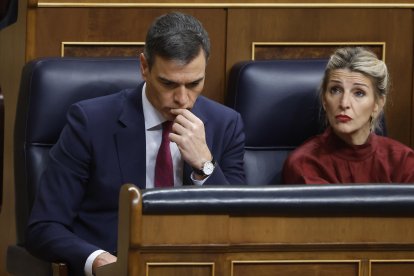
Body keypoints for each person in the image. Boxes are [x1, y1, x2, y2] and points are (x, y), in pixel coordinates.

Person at [25, 12, 245, 276]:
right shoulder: (91, 122)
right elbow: (44, 226)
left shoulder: (225, 124)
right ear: (144, 67)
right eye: (168, 83)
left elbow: (239, 226)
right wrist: (97, 260)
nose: (183, 99)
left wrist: (204, 165)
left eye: (194, 83)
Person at [282, 47, 414, 184]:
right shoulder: (304, 164)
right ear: (324, 101)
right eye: (336, 90)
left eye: (359, 93)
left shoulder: (404, 161)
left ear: (378, 104)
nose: (344, 103)